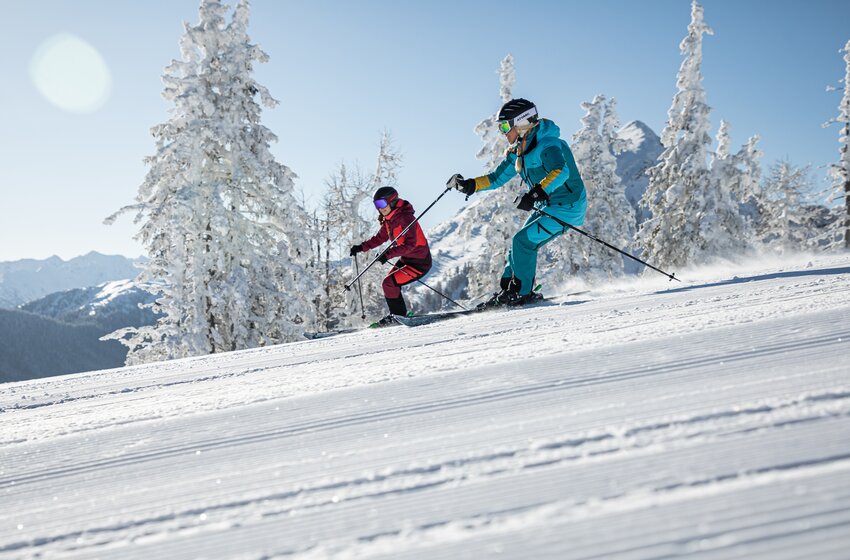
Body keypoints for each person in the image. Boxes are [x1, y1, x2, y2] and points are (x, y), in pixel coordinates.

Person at [447, 98, 587, 307]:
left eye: (505, 126)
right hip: (548, 205)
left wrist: (536, 194)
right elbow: (495, 178)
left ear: (521, 123)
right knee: (517, 245)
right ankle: (510, 290)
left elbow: (561, 171)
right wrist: (469, 185)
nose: (503, 132)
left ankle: (522, 293)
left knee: (523, 241)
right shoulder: (519, 151)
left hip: (568, 205)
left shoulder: (549, 145)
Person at [350, 186, 432, 327]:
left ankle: (398, 316)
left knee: (389, 283)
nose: (380, 208)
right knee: (388, 284)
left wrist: (387, 255)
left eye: (381, 203)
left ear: (392, 201)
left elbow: (410, 245)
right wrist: (361, 247)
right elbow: (379, 238)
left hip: (419, 263)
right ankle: (399, 315)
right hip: (406, 260)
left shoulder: (406, 218)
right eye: (376, 205)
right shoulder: (389, 220)